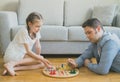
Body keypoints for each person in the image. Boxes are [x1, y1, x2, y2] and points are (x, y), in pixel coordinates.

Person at [3, 12, 52, 76]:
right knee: (41, 59)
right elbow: (28, 51)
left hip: (22, 54)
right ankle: (12, 64)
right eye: (37, 26)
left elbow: (38, 46)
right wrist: (41, 59)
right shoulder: (24, 31)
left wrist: (39, 58)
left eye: (40, 26)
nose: (39, 28)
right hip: (13, 54)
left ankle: (14, 68)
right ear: (29, 24)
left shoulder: (36, 31)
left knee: (41, 64)